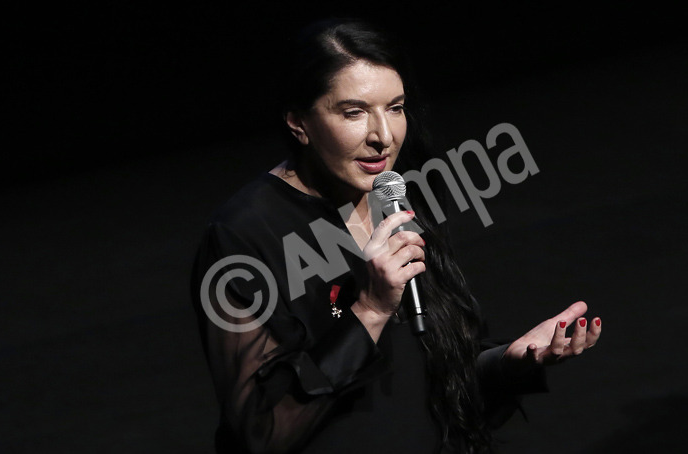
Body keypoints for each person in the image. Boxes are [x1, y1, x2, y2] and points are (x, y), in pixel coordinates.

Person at [190, 18, 601, 454]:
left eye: (395, 108)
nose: (383, 137)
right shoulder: (242, 236)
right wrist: (369, 310)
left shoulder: (397, 193)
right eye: (353, 112)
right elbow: (259, 431)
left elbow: (426, 374)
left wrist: (510, 361)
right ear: (299, 122)